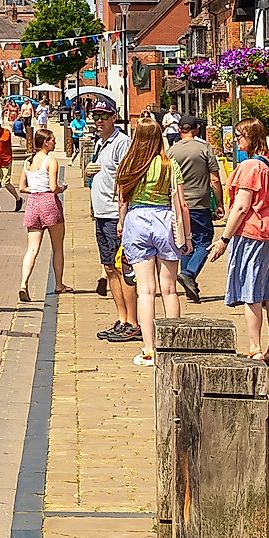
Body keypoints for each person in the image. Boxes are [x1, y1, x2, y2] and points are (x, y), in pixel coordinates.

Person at [208, 116, 269, 365]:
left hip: (254, 234)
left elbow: (241, 207)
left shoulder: (249, 168)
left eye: (239, 136)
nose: (237, 141)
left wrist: (224, 238)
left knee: (252, 291)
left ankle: (255, 347)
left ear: (250, 137)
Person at [115, 119, 188, 367]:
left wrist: (122, 223)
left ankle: (149, 348)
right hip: (165, 220)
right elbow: (181, 202)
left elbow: (122, 200)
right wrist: (186, 236)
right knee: (169, 289)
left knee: (145, 290)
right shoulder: (169, 165)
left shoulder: (129, 164)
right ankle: (173, 345)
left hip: (136, 220)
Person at [88, 116, 138, 342]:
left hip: (113, 214)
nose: (98, 121)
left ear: (112, 118)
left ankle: (133, 322)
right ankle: (121, 318)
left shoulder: (122, 143)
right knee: (109, 267)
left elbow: (127, 178)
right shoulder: (100, 143)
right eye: (96, 117)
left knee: (122, 268)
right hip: (101, 213)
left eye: (103, 117)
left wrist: (122, 216)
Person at [166, 117, 222, 304]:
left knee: (185, 243)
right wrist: (220, 203)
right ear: (196, 130)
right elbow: (214, 179)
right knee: (204, 241)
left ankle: (190, 285)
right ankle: (188, 273)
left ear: (179, 129)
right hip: (199, 203)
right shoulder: (205, 149)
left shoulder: (171, 151)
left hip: (179, 205)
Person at [17, 127, 67, 301]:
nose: (55, 141)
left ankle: (24, 283)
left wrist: (35, 189)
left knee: (32, 248)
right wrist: (62, 187)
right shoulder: (50, 161)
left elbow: (22, 187)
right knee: (57, 247)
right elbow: (53, 188)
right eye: (52, 139)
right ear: (45, 142)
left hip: (33, 202)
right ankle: (59, 284)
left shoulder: (27, 161)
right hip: (48, 202)